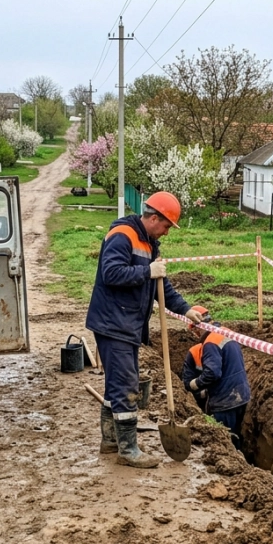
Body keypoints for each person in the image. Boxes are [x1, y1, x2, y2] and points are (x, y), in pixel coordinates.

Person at [85, 192, 204, 468]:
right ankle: (128, 450)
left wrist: (185, 309)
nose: (167, 233)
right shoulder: (123, 235)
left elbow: (161, 285)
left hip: (127, 324)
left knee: (117, 384)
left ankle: (111, 441)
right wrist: (147, 272)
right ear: (153, 218)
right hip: (113, 323)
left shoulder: (150, 243)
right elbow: (111, 273)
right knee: (127, 386)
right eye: (166, 226)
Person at [181, 307, 251, 450]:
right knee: (234, 434)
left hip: (225, 401)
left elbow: (213, 373)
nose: (195, 335)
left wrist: (194, 385)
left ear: (197, 328)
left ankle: (232, 461)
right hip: (241, 395)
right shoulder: (226, 332)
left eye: (194, 331)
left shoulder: (210, 342)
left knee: (225, 440)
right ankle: (238, 456)